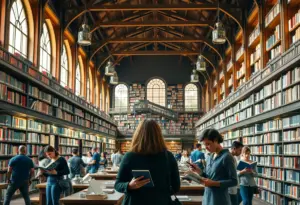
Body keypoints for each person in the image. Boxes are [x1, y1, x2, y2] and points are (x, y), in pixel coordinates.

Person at [114, 120, 180, 205]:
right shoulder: (168, 157)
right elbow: (176, 187)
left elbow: (118, 184)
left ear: (138, 135)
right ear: (159, 135)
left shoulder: (129, 156)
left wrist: (129, 186)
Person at [191, 129, 238, 205]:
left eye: (208, 144)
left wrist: (213, 183)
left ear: (216, 140)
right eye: (204, 145)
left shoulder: (227, 157)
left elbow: (234, 181)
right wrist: (199, 171)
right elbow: (208, 177)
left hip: (220, 200)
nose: (206, 147)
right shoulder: (210, 156)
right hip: (207, 198)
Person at [229, 141, 244, 205]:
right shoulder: (228, 158)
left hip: (236, 186)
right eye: (240, 150)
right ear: (234, 149)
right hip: (230, 188)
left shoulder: (234, 158)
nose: (240, 152)